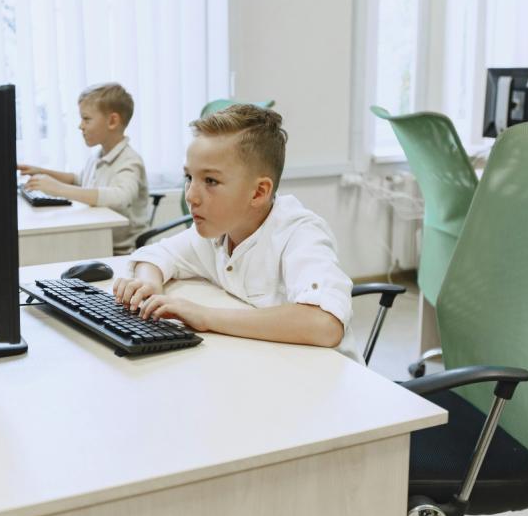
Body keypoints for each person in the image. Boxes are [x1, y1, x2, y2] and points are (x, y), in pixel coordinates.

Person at [112, 104, 360, 363]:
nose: (191, 196)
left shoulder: (299, 234)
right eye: (189, 178)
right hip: (263, 367)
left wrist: (205, 316)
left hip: (323, 383)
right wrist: (149, 285)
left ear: (258, 192)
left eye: (210, 181)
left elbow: (325, 323)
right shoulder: (219, 230)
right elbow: (156, 255)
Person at [17, 83, 149, 255]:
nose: (81, 126)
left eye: (86, 119)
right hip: (97, 240)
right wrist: (41, 171)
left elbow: (119, 197)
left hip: (122, 252)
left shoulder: (130, 162)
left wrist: (58, 189)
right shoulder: (99, 155)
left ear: (112, 121)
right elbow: (79, 180)